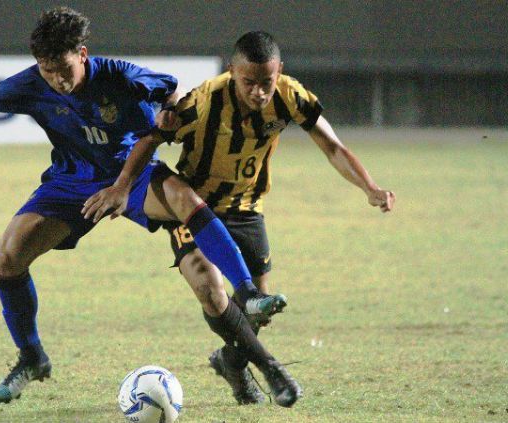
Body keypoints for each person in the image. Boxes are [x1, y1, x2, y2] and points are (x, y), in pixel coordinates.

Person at [0, 8, 284, 405]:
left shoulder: (120, 76)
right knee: (9, 256)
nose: (58, 80)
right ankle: (31, 357)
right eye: (49, 72)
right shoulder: (29, 84)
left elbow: (170, 90)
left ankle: (245, 291)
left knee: (182, 198)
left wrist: (168, 116)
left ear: (83, 53)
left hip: (130, 176)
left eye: (65, 69)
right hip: (70, 183)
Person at [85, 31, 395, 407]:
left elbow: (332, 146)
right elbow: (150, 140)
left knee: (259, 307)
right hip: (196, 208)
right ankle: (270, 369)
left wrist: (369, 187)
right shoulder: (201, 102)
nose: (260, 92)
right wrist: (121, 187)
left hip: (248, 208)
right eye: (249, 82)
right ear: (232, 72)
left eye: (267, 82)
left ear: (279, 71)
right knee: (211, 291)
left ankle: (231, 363)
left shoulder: (290, 96)